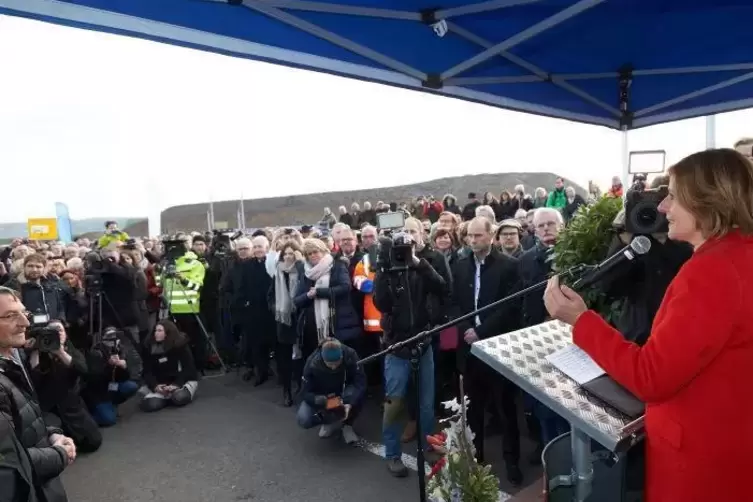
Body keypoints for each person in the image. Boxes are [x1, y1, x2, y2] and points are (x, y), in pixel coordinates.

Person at [543, 148, 753, 502]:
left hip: (698, 466)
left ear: (706, 201)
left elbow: (650, 377)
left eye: (672, 195)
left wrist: (580, 320)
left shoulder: (710, 272)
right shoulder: (739, 254)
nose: (661, 208)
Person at [0, 287, 72, 502]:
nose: (25, 323)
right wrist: (60, 454)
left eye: (25, 313)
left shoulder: (14, 358)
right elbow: (9, 462)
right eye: (11, 316)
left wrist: (50, 434)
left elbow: (23, 419)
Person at [297, 338, 366, 445]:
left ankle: (347, 425)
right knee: (304, 418)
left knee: (355, 395)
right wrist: (318, 400)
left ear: (342, 356)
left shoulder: (350, 355)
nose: (333, 367)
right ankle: (329, 421)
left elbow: (360, 382)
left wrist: (351, 403)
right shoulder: (311, 363)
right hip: (324, 396)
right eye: (330, 364)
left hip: (344, 392)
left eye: (336, 363)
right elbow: (305, 392)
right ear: (322, 358)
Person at [140, 320, 198, 412]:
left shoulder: (180, 346)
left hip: (182, 381)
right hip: (160, 383)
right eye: (155, 330)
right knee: (151, 405)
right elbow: (147, 371)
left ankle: (170, 397)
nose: (156, 333)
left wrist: (176, 384)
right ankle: (164, 397)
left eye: (159, 331)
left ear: (168, 333)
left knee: (179, 398)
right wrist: (155, 386)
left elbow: (189, 369)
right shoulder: (149, 347)